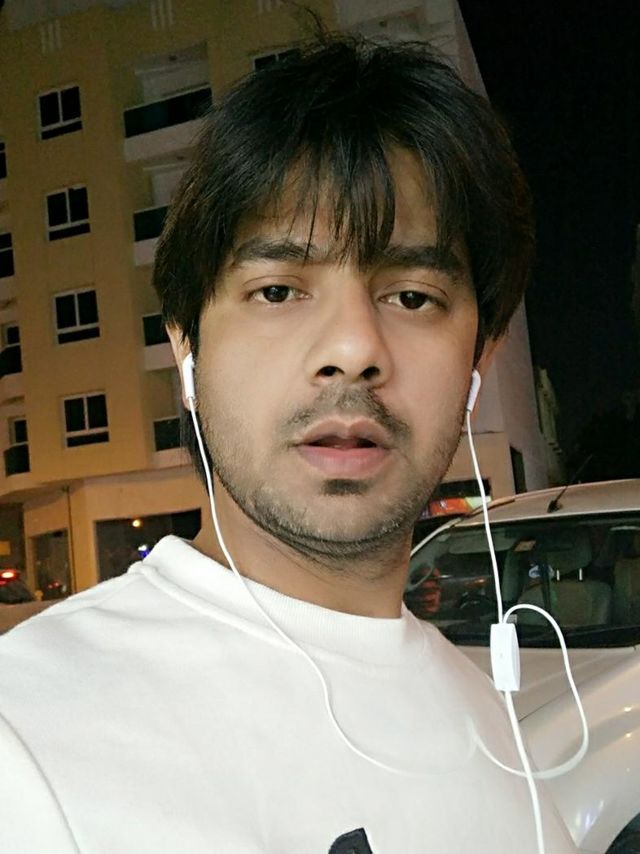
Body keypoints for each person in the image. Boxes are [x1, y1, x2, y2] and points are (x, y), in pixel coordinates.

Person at [0, 33, 577, 853]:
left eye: (413, 296)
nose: (354, 347)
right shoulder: (28, 740)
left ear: (478, 358)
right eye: (277, 290)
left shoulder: (492, 720)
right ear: (186, 348)